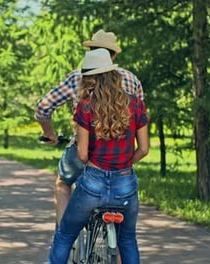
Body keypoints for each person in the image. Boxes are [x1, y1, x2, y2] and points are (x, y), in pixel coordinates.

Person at [48, 48, 149, 264]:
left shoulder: (85, 107)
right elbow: (144, 149)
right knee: (128, 241)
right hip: (125, 185)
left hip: (93, 184)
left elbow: (83, 154)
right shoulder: (136, 104)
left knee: (65, 235)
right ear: (113, 74)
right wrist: (123, 164)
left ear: (90, 79)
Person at [35, 29, 144, 227]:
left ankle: (65, 234)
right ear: (114, 55)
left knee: (63, 182)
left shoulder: (77, 77)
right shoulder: (131, 79)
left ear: (91, 51)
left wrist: (48, 133)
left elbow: (43, 107)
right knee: (124, 233)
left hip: (84, 151)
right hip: (120, 155)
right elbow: (139, 120)